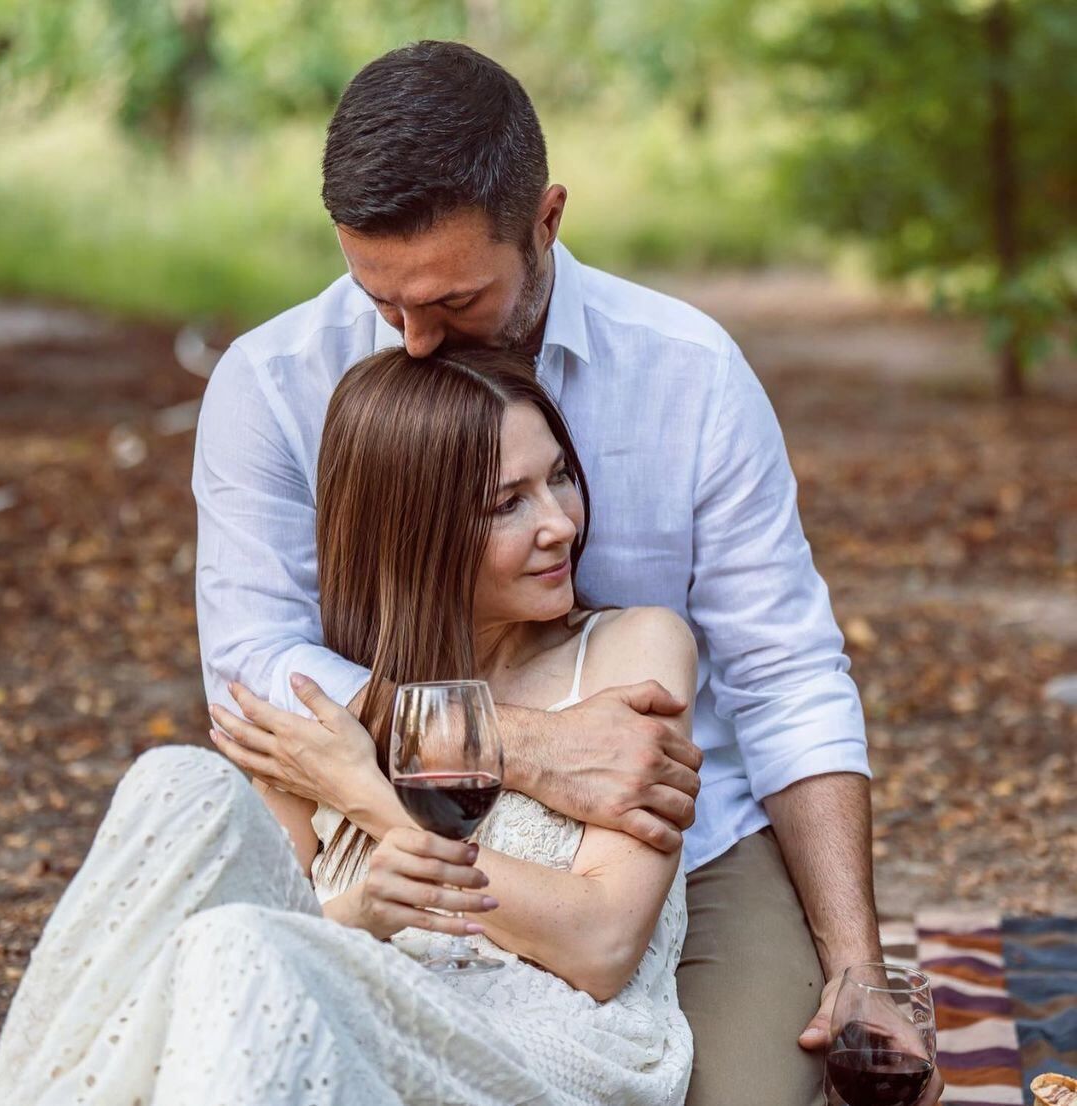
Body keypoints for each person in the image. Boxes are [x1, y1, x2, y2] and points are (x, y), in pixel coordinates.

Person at [191, 40, 942, 1106]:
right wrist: (520, 749)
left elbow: (787, 677)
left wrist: (856, 965)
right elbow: (255, 671)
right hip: (382, 824)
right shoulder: (271, 384)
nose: (413, 341)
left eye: (454, 300)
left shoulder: (688, 374)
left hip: (669, 837)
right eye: (381, 298)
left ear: (545, 222)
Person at [0, 347, 697, 1104]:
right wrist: (364, 911)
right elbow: (262, 935)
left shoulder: (632, 650)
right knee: (180, 785)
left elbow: (603, 946)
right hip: (344, 1012)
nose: (559, 523)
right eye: (508, 504)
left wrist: (371, 797)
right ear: (416, 532)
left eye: (559, 477)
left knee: (239, 945)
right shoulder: (337, 693)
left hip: (543, 1042)